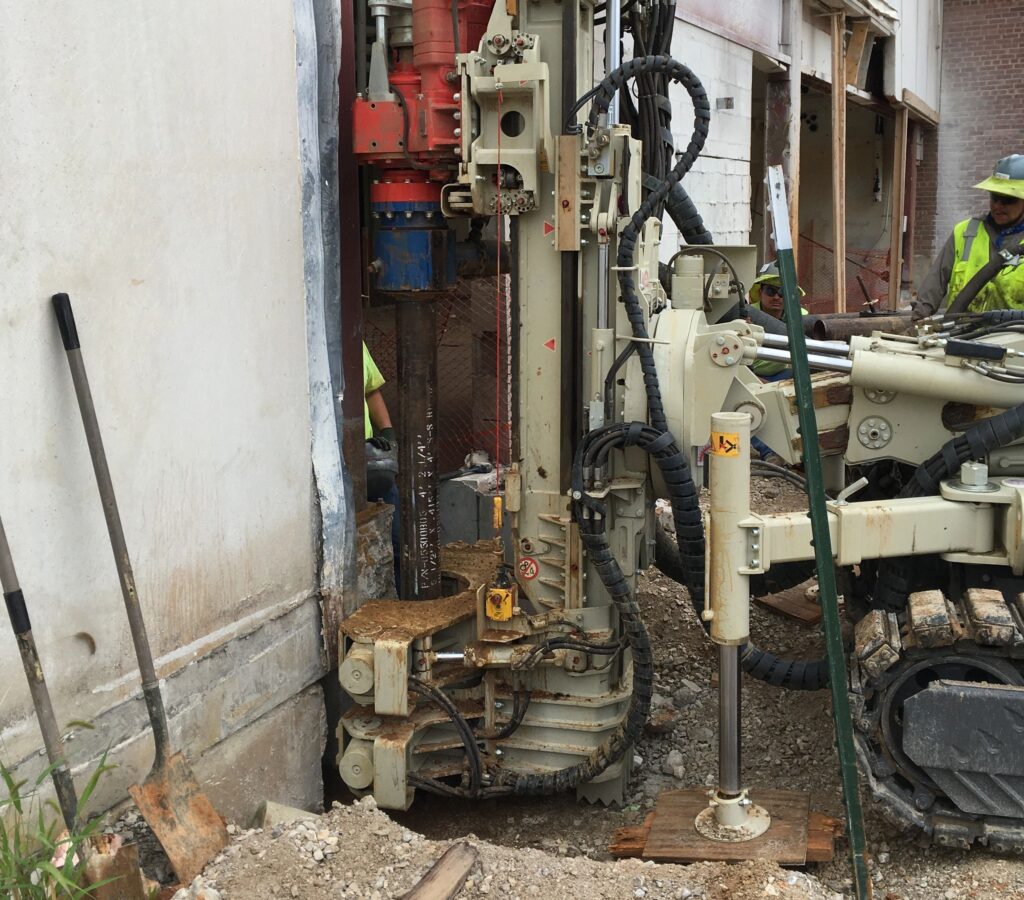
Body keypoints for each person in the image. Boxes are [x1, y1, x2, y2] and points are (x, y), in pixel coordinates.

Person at [912, 154, 1024, 320]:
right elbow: (936, 281)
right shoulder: (966, 232)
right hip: (961, 333)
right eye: (994, 197)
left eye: (1008, 199)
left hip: (1014, 338)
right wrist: (919, 317)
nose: (998, 205)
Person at [363, 343, 400, 590]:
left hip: (370, 462)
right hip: (343, 465)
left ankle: (399, 598)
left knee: (394, 537)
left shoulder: (356, 342)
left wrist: (388, 433)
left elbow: (371, 391)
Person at [748, 260, 808, 381]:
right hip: (749, 374)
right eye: (771, 291)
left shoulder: (801, 317)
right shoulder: (747, 315)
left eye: (782, 293)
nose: (776, 297)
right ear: (760, 292)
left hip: (784, 375)